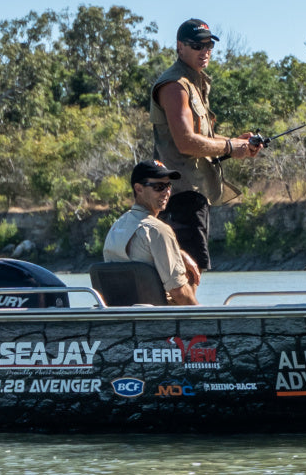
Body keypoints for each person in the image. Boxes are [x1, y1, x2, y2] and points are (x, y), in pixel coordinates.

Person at [151, 18, 261, 271]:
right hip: (181, 194)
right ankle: (186, 312)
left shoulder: (194, 82)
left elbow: (202, 137)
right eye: (197, 45)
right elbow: (186, 141)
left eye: (209, 45)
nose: (205, 51)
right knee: (189, 273)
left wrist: (236, 143)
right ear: (180, 47)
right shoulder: (175, 85)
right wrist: (230, 148)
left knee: (187, 271)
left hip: (193, 192)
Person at [103, 161, 201, 305]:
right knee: (190, 275)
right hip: (160, 320)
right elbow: (179, 293)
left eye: (168, 186)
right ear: (139, 189)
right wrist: (204, 321)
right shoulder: (158, 230)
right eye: (158, 187)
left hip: (124, 318)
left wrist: (179, 253)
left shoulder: (116, 227)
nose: (166, 192)